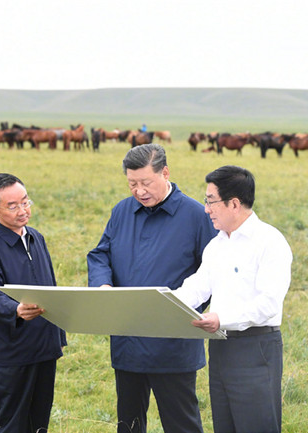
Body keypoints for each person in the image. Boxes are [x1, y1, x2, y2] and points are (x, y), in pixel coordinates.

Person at [87, 143, 217, 433]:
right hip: (128, 339)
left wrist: (188, 313)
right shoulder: (121, 211)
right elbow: (100, 255)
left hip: (174, 343)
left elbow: (212, 273)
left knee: (181, 425)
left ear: (165, 173)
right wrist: (102, 285)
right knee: (129, 424)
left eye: (146, 182)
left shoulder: (196, 215)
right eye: (132, 183)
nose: (139, 191)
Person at [173, 165, 293, 433]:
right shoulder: (216, 245)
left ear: (234, 204)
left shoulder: (269, 242)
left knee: (256, 426)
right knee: (224, 425)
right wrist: (167, 303)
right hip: (220, 348)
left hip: (256, 348)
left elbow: (269, 303)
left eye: (211, 201)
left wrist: (221, 319)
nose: (206, 209)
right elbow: (197, 287)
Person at [0, 173, 67, 433]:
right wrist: (15, 309)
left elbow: (50, 286)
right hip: (12, 351)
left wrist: (58, 335)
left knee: (39, 422)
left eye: (25, 202)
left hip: (45, 346)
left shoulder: (36, 237)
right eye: (12, 206)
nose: (22, 210)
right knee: (9, 424)